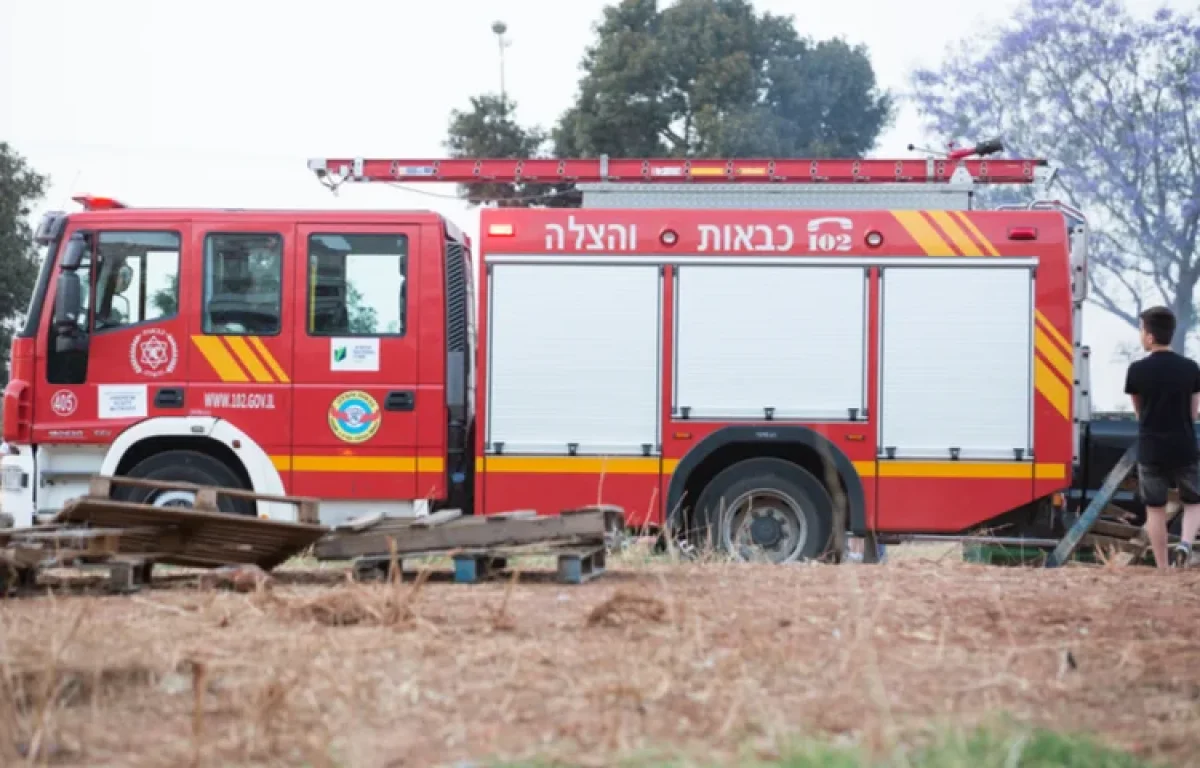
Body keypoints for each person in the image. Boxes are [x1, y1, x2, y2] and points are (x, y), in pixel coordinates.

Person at [1123, 306, 1200, 568]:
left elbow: (1139, 412)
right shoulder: (1191, 368)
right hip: (1184, 445)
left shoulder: (1136, 371)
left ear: (1150, 337)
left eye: (1141, 331)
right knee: (1194, 502)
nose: (1141, 336)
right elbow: (1194, 412)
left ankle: (1163, 568)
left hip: (1151, 448)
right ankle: (1185, 544)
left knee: (1155, 509)